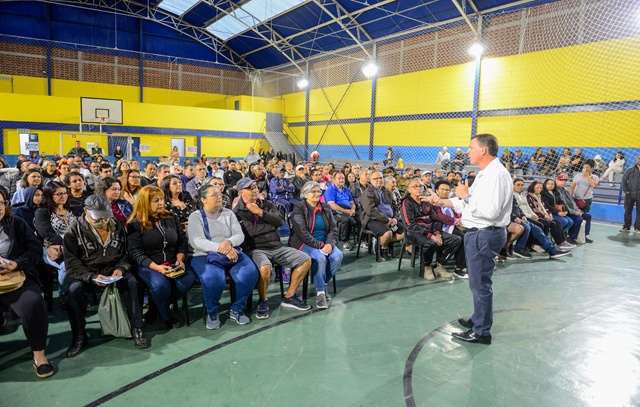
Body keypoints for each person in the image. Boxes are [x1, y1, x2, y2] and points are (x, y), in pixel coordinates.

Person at [430, 134, 512, 345]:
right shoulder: (487, 174)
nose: (467, 151)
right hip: (482, 234)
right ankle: (478, 319)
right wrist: (441, 201)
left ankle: (482, 331)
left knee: (480, 284)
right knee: (478, 283)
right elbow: (467, 203)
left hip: (484, 233)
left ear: (483, 150)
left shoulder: (495, 175)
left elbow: (490, 211)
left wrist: (466, 195)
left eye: (470, 147)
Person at [63, 195, 148, 356]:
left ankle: (137, 327)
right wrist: (91, 277)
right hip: (87, 271)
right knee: (74, 292)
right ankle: (79, 334)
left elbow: (126, 253)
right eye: (98, 219)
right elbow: (72, 265)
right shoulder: (73, 231)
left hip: (113, 269)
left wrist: (121, 268)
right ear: (85, 212)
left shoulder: (116, 225)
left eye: (106, 217)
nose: (103, 222)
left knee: (132, 282)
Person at [233, 177, 312, 319]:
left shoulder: (267, 204)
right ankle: (263, 300)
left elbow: (280, 221)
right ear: (240, 192)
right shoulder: (237, 211)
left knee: (305, 259)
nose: (254, 190)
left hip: (277, 246)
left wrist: (260, 213)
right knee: (265, 268)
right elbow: (249, 231)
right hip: (256, 248)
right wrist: (270, 226)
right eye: (250, 188)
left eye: (255, 187)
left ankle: (289, 296)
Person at [0, 188, 54, 378]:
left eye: (1, 203)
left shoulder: (16, 224)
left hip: (17, 278)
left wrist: (17, 263)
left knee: (33, 303)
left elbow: (34, 249)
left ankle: (39, 356)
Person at [188, 185, 259, 329]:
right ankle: (212, 312)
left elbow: (239, 235)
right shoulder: (196, 216)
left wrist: (229, 242)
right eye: (214, 195)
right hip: (204, 254)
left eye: (219, 194)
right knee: (213, 278)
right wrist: (224, 249)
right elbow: (198, 241)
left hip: (232, 250)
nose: (219, 197)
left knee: (249, 272)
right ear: (203, 199)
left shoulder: (228, 213)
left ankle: (237, 308)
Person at [128, 186, 195, 329]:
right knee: (160, 285)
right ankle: (166, 315)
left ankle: (154, 308)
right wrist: (157, 268)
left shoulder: (172, 217)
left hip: (172, 262)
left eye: (162, 200)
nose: (161, 203)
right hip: (149, 265)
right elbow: (136, 253)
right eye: (155, 200)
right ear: (145, 202)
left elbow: (182, 242)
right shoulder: (135, 224)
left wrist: (180, 259)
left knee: (188, 279)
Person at [289, 182, 343, 309]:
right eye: (313, 191)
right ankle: (320, 293)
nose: (317, 194)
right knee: (320, 257)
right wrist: (320, 245)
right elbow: (301, 232)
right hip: (304, 243)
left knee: (338, 256)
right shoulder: (299, 207)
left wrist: (329, 244)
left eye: (318, 191)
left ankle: (322, 283)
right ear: (305, 194)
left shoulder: (325, 207)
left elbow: (333, 229)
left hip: (325, 242)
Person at [402, 178, 461, 280]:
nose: (418, 188)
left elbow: (436, 219)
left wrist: (437, 233)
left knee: (456, 239)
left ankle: (439, 265)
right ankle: (427, 266)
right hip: (415, 233)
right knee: (430, 243)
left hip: (431, 231)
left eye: (420, 186)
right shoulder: (406, 203)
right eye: (415, 186)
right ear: (409, 189)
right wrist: (431, 236)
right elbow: (410, 225)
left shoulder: (427, 201)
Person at [510, 179, 571, 260]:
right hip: (515, 218)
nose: (520, 187)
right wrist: (518, 217)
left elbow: (523, 208)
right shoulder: (512, 195)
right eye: (518, 185)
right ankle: (520, 248)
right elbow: (511, 209)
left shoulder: (522, 195)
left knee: (539, 228)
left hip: (523, 216)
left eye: (522, 185)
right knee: (533, 226)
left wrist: (527, 215)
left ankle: (552, 250)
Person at [360, 171, 405, 261]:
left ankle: (379, 240)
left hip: (391, 219)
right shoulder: (368, 192)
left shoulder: (386, 191)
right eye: (376, 178)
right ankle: (383, 247)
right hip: (372, 219)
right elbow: (371, 211)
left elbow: (395, 206)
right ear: (370, 180)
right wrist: (386, 219)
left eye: (380, 178)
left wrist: (395, 218)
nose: (379, 180)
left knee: (407, 231)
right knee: (388, 233)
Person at [431, 180, 467, 278]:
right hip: (439, 228)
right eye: (442, 189)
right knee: (462, 238)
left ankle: (464, 263)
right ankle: (458, 268)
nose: (445, 192)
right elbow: (440, 216)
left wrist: (460, 220)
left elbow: (455, 212)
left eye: (447, 190)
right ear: (437, 190)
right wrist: (456, 221)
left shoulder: (450, 201)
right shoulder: (434, 202)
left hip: (451, 226)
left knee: (469, 234)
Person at [526, 181, 575, 249]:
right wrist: (545, 216)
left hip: (544, 215)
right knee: (547, 223)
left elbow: (545, 208)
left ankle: (562, 242)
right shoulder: (528, 196)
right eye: (537, 187)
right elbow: (533, 209)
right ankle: (538, 244)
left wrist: (549, 215)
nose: (539, 189)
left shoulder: (540, 196)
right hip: (536, 215)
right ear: (533, 187)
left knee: (556, 222)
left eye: (541, 188)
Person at [554, 174, 592, 244]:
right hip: (566, 211)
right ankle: (571, 237)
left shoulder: (565, 190)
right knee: (578, 219)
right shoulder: (556, 191)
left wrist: (578, 211)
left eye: (565, 181)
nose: (563, 182)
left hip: (573, 210)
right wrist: (574, 212)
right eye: (561, 180)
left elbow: (572, 202)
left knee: (587, 216)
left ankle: (584, 236)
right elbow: (564, 205)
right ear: (556, 180)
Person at [324, 172, 358, 251]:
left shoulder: (346, 190)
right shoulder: (330, 190)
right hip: (336, 212)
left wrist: (353, 209)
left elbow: (352, 202)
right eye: (339, 178)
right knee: (345, 220)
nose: (341, 180)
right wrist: (346, 211)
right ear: (334, 180)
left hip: (348, 210)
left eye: (343, 178)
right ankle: (346, 241)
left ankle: (361, 240)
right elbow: (332, 205)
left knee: (360, 217)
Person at [620, 154, 640, 233]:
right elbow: (623, 181)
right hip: (630, 194)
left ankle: (638, 228)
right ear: (636, 159)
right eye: (639, 158)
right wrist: (626, 191)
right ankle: (626, 227)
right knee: (628, 211)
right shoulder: (630, 170)